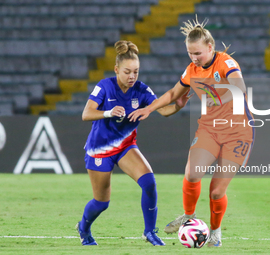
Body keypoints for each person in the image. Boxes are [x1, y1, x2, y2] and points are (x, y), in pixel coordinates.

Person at [129, 17, 255, 247]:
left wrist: (219, 99)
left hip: (238, 132)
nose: (194, 58)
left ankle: (215, 232)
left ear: (210, 47)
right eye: (190, 53)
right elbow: (172, 94)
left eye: (198, 53)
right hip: (209, 129)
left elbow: (240, 87)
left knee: (216, 192)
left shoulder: (226, 62)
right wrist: (149, 108)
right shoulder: (191, 70)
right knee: (193, 174)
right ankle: (188, 216)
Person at [76, 40, 190, 246]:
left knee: (149, 183)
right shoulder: (104, 86)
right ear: (116, 69)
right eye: (127, 72)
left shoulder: (141, 90)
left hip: (126, 147)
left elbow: (162, 110)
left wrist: (178, 106)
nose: (132, 77)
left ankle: (150, 232)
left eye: (136, 72)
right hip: (99, 150)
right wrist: (109, 112)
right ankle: (83, 228)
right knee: (101, 203)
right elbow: (86, 114)